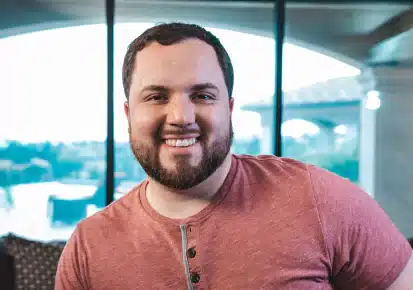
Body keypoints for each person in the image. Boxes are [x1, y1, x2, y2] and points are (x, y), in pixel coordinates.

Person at [55, 22, 413, 290]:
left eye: (203, 95)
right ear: (128, 113)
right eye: (156, 96)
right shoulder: (89, 246)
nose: (181, 117)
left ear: (229, 108)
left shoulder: (321, 199)